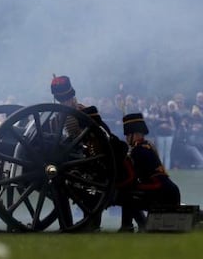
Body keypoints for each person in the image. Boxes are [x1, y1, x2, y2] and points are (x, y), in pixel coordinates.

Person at [50, 75, 130, 231]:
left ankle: (89, 225)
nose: (66, 101)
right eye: (64, 99)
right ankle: (69, 225)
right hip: (78, 161)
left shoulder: (82, 112)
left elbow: (91, 139)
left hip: (93, 162)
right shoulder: (64, 115)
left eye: (66, 98)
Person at [118, 113, 182, 233]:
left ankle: (128, 226)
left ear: (135, 135)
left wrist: (117, 186)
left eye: (127, 135)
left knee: (126, 195)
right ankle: (143, 225)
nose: (126, 139)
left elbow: (131, 177)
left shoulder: (138, 151)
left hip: (161, 191)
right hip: (169, 190)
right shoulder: (147, 146)